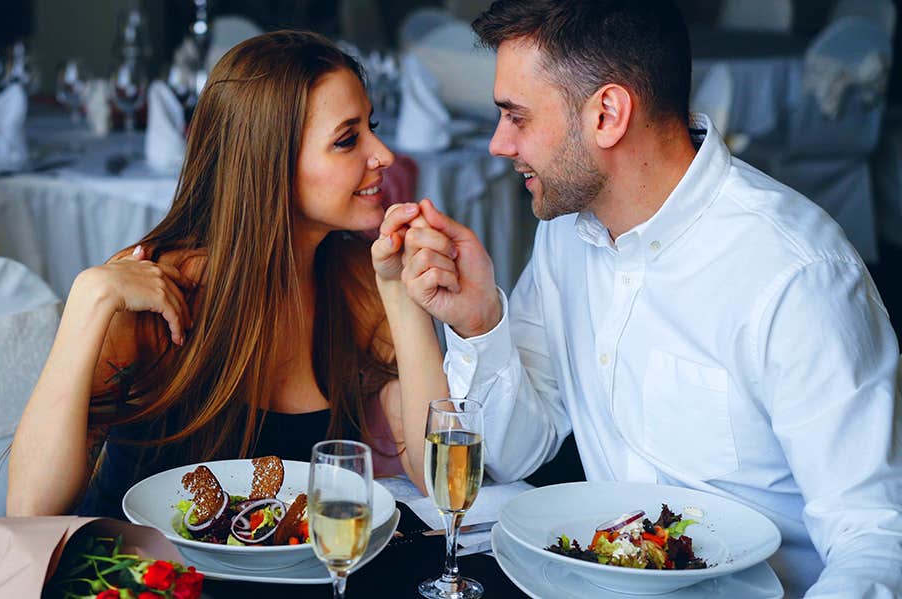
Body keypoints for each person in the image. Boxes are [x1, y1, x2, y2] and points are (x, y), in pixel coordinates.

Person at [377, 1, 902, 596]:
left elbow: (878, 536)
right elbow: (516, 451)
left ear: (607, 114)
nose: (498, 144)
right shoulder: (566, 232)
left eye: (516, 117)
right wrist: (480, 324)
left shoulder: (796, 273)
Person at [7, 30, 446, 520]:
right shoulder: (156, 293)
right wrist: (88, 298)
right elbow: (30, 509)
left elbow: (436, 479)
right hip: (146, 583)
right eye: (347, 139)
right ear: (269, 162)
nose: (383, 154)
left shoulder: (357, 279)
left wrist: (400, 295)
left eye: (372, 126)